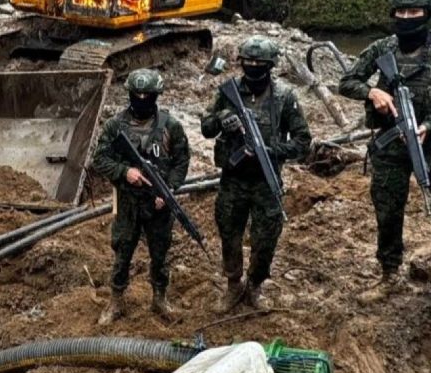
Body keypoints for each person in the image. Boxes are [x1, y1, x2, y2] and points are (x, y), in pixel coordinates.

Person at [338, 0, 431, 308]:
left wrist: (427, 127)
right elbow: (346, 82)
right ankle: (389, 273)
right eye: (400, 12)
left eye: (413, 12)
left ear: (428, 14)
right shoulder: (382, 49)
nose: (406, 18)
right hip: (390, 143)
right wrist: (372, 93)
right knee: (388, 210)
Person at [201, 36, 311, 311]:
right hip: (233, 179)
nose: (252, 67)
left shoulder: (284, 96)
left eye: (259, 63)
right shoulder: (228, 92)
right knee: (229, 232)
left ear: (270, 65)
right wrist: (222, 120)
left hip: (265, 179)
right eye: (247, 62)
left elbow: (302, 141)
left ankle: (255, 286)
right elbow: (206, 128)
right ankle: (233, 284)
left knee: (266, 237)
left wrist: (270, 150)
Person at [93, 68, 190, 324]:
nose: (142, 99)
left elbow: (181, 162)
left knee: (160, 253)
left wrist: (168, 191)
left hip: (158, 205)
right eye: (137, 94)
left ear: (156, 95)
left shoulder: (171, 126)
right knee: (123, 252)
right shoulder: (116, 126)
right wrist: (125, 172)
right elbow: (100, 159)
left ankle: (160, 298)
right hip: (128, 203)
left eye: (148, 95)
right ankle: (115, 301)